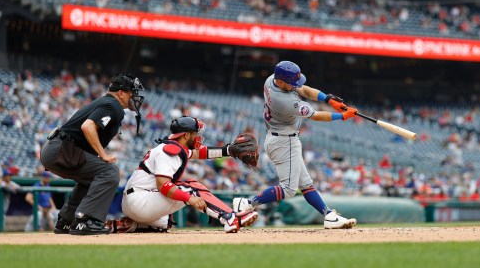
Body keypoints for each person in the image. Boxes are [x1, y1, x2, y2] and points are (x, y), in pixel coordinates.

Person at [233, 61, 357, 229]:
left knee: (306, 184)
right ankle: (247, 202)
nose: (295, 86)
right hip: (285, 141)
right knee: (289, 190)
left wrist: (328, 99)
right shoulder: (284, 101)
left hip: (280, 138)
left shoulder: (272, 80)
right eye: (291, 83)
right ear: (282, 81)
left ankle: (328, 216)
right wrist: (341, 116)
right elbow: (315, 115)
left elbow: (304, 89)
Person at [109, 116, 258, 233]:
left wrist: (227, 151)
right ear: (186, 135)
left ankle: (129, 224)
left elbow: (200, 153)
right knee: (192, 187)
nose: (198, 137)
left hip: (134, 201)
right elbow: (163, 185)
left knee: (165, 221)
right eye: (195, 133)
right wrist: (189, 198)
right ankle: (230, 217)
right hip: (140, 200)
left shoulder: (173, 147)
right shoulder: (170, 151)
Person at [40, 74, 145, 235]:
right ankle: (86, 220)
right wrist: (103, 154)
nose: (135, 97)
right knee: (109, 172)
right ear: (122, 93)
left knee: (91, 177)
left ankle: (67, 221)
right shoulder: (113, 105)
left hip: (58, 149)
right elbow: (87, 126)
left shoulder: (107, 103)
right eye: (133, 92)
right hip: (62, 149)